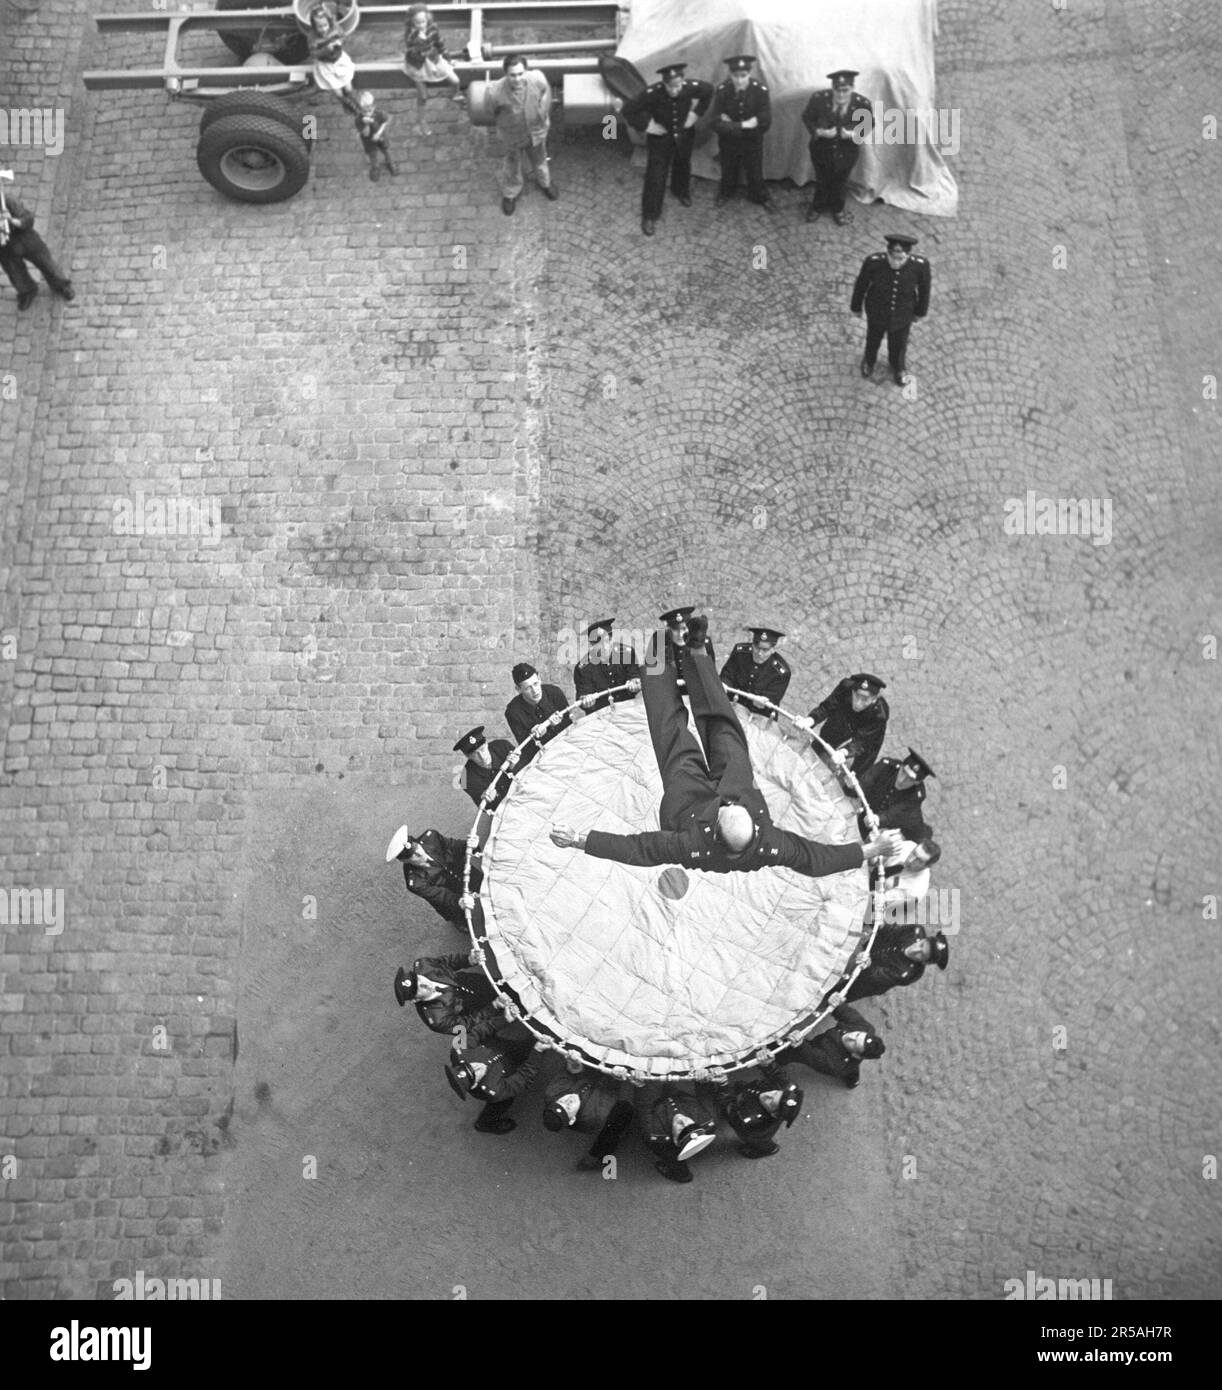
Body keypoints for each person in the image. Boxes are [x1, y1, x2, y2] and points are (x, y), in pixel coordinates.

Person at [551, 616, 902, 876]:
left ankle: (659, 653)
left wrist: (580, 840)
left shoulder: (689, 845)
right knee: (723, 724)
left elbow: (638, 848)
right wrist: (871, 849)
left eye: (727, 808)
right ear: (751, 822)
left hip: (687, 804)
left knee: (671, 731)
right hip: (736, 783)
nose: (728, 803)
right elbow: (817, 859)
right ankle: (696, 650)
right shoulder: (771, 842)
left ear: (717, 825)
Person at [621, 62, 714, 237]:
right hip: (660, 139)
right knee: (656, 176)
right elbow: (629, 110)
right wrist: (648, 126)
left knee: (683, 164)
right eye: (670, 87)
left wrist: (695, 115)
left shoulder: (690, 87)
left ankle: (681, 190)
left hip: (684, 134)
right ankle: (650, 215)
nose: (675, 90)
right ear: (664, 84)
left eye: (678, 85)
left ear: (683, 81)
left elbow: (709, 90)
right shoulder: (652, 93)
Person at [851, 233, 932, 387]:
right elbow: (861, 285)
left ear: (908, 255)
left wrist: (920, 312)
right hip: (877, 311)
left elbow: (924, 290)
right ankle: (869, 360)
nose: (895, 262)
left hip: (903, 313)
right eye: (892, 258)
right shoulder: (873, 262)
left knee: (899, 343)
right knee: (873, 339)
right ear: (887, 253)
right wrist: (856, 307)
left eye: (900, 259)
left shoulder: (920, 266)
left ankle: (898, 366)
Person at [445, 1006, 539, 1134]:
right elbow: (524, 1078)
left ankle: (531, 1042)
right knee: (503, 1102)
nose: (478, 1067)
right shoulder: (493, 1089)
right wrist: (538, 1052)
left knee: (525, 1045)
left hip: (499, 1047)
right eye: (476, 1073)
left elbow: (478, 1031)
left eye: (470, 1066)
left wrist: (504, 1019)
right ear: (476, 1084)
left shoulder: (459, 1050)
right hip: (507, 1071)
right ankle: (484, 1123)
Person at [485, 54, 557, 215]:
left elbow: (547, 91)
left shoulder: (537, 78)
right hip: (512, 137)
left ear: (526, 71)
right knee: (512, 165)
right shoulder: (494, 93)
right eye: (512, 75)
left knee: (540, 159)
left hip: (536, 133)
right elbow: (490, 112)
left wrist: (543, 111)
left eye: (520, 74)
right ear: (505, 74)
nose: (517, 79)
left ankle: (545, 183)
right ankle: (510, 193)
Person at [802, 69, 872, 226]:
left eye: (845, 90)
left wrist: (854, 134)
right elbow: (807, 117)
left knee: (841, 182)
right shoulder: (819, 99)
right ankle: (817, 207)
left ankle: (838, 208)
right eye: (837, 90)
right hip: (821, 149)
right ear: (832, 88)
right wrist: (819, 132)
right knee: (821, 179)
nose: (841, 95)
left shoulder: (862, 104)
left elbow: (868, 124)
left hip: (847, 152)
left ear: (852, 88)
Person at [710, 55, 773, 210]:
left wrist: (730, 123)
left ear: (749, 74)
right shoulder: (723, 90)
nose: (739, 81)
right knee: (728, 169)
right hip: (729, 141)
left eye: (743, 76)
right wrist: (744, 124)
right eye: (735, 76)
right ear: (730, 75)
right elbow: (715, 122)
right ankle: (725, 193)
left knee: (755, 171)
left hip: (752, 141)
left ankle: (760, 196)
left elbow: (765, 122)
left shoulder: (760, 91)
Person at [384, 825, 476, 930]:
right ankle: (461, 924)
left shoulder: (432, 838)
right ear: (404, 861)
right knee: (456, 914)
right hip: (449, 893)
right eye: (412, 855)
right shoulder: (415, 882)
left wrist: (468, 845)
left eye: (416, 847)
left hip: (465, 874)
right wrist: (459, 901)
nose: (419, 853)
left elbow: (453, 846)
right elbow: (441, 896)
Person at [541, 1068, 635, 1171]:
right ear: (572, 1119)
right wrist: (618, 1076)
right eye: (568, 1108)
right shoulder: (595, 1115)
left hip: (589, 1082)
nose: (568, 1100)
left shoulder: (552, 1092)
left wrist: (575, 1066)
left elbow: (567, 1073)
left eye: (561, 1101)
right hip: (603, 1095)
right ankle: (595, 1156)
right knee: (619, 1118)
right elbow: (610, 1088)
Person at [0, 182, 74, 310]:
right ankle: (28, 291)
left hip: (25, 239)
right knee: (15, 273)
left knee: (46, 263)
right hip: (5, 249)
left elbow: (28, 219)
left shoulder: (7, 201)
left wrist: (13, 221)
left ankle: (61, 285)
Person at [777, 1003, 885, 1089]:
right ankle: (853, 1078)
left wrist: (800, 1044)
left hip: (823, 1051)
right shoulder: (866, 1028)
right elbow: (844, 1011)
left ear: (856, 1054)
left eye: (854, 1044)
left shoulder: (835, 1064)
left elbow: (809, 1054)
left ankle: (777, 1061)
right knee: (852, 1068)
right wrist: (836, 1002)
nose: (851, 1037)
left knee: (790, 1052)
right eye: (857, 1035)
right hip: (834, 1049)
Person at [804, 673, 889, 773]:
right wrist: (810, 720)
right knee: (829, 734)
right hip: (846, 715)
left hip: (869, 731)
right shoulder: (846, 687)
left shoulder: (879, 714)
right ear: (853, 690)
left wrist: (844, 752)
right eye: (856, 695)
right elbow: (827, 707)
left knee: (861, 766)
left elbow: (861, 742)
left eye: (865, 699)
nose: (858, 703)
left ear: (874, 699)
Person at [393, 951, 496, 1033]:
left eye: (418, 979)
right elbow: (467, 1024)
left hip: (477, 982)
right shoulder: (437, 1020)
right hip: (481, 1011)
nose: (423, 984)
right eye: (417, 989)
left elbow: (447, 962)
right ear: (415, 999)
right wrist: (494, 1007)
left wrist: (468, 959)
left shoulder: (424, 965)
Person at [636, 1083, 718, 1183]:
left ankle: (681, 1174)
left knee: (669, 1154)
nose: (682, 1120)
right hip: (679, 1096)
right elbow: (705, 1096)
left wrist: (641, 1085)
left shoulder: (654, 1131)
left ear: (675, 1139)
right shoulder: (707, 1119)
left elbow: (644, 1105)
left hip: (660, 1122)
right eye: (689, 1124)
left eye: (680, 1129)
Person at [402, 3, 463, 135]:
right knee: (423, 96)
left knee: (455, 80)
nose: (421, 25)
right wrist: (420, 41)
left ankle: (454, 95)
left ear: (427, 19)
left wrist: (448, 58)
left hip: (433, 60)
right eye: (417, 23)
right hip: (418, 65)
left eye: (423, 21)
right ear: (412, 23)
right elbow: (412, 52)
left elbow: (440, 44)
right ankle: (421, 121)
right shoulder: (411, 35)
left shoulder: (433, 28)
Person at [845, 923, 948, 1001]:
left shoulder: (907, 974)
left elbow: (875, 975)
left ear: (924, 962)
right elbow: (890, 931)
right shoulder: (915, 931)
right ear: (923, 939)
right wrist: (882, 926)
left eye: (922, 954)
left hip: (867, 981)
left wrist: (868, 963)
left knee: (844, 992)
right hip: (870, 948)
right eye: (921, 945)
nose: (915, 950)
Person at [857, 747, 935, 841]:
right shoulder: (887, 766)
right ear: (901, 766)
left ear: (917, 782)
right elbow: (868, 779)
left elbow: (895, 813)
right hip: (864, 810)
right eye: (903, 772)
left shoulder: (916, 796)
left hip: (883, 827)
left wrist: (878, 819)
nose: (902, 780)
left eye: (910, 779)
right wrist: (857, 787)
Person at [720, 1073, 802, 1158]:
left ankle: (769, 1150)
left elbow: (727, 1107)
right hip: (751, 1095)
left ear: (774, 1113)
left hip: (755, 1134)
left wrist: (723, 1086)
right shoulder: (782, 1092)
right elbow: (778, 1075)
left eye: (770, 1101)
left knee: (759, 1142)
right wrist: (767, 1064)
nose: (768, 1094)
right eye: (775, 1093)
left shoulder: (749, 1118)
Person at [719, 625, 791, 718]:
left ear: (773, 650)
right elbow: (727, 674)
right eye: (757, 648)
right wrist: (724, 684)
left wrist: (765, 700)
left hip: (758, 713)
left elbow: (773, 698)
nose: (760, 653)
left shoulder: (781, 672)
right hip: (733, 702)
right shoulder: (740, 652)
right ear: (752, 644)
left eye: (765, 650)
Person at [573, 618, 640, 707]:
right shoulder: (583, 668)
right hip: (601, 714)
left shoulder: (626, 653)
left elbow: (635, 677)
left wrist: (635, 683)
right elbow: (583, 696)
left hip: (628, 708)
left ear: (612, 639)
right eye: (599, 645)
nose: (604, 647)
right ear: (592, 645)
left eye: (607, 641)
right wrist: (586, 701)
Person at [504, 662, 571, 749]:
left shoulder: (555, 693)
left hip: (567, 745)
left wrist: (557, 726)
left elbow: (570, 727)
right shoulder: (513, 712)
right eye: (528, 688)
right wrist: (535, 736)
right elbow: (526, 749)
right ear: (518, 689)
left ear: (539, 678)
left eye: (535, 684)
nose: (535, 691)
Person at [307, 0, 358, 114]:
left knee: (349, 88)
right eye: (319, 27)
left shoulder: (335, 28)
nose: (323, 29)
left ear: (329, 23)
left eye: (325, 25)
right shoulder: (312, 37)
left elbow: (343, 36)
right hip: (326, 66)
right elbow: (313, 54)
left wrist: (340, 42)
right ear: (314, 27)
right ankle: (347, 105)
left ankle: (355, 103)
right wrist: (326, 49)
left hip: (339, 60)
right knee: (338, 93)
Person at [875, 836, 941, 919]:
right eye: (913, 853)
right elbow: (878, 858)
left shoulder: (916, 891)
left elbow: (885, 912)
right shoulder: (907, 846)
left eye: (919, 861)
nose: (910, 860)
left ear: (928, 866)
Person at [453, 725, 512, 808]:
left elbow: (529, 771)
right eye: (475, 754)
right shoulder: (465, 779)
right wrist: (485, 799)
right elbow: (485, 808)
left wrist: (515, 766)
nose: (482, 756)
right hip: (506, 810)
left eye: (482, 749)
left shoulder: (503, 746)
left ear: (486, 744)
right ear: (468, 756)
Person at [353, 90, 396, 181]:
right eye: (365, 110)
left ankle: (390, 163)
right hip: (369, 141)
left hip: (381, 137)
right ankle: (375, 168)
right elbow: (365, 133)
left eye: (370, 108)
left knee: (386, 150)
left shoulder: (379, 113)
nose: (368, 111)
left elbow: (385, 121)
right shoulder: (359, 119)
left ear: (373, 106)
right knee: (373, 155)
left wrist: (379, 133)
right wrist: (366, 124)